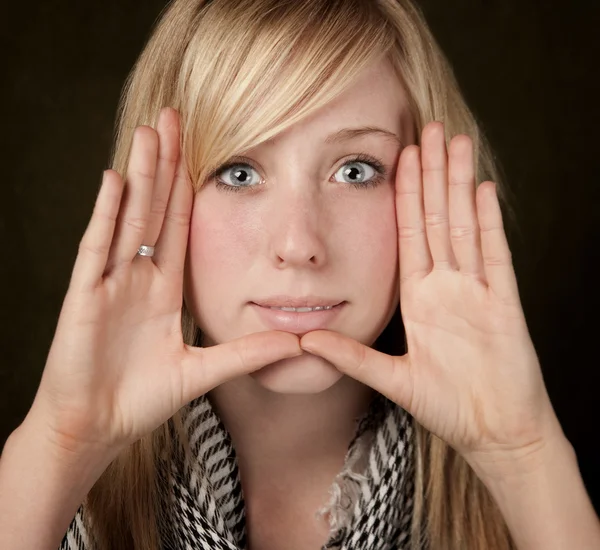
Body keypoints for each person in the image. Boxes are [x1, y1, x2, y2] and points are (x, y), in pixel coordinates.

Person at [1, 0, 599, 548]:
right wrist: (61, 448)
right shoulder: (61, 489)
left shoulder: (525, 491)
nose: (298, 244)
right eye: (239, 172)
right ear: (159, 199)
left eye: (356, 171)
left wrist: (523, 457)